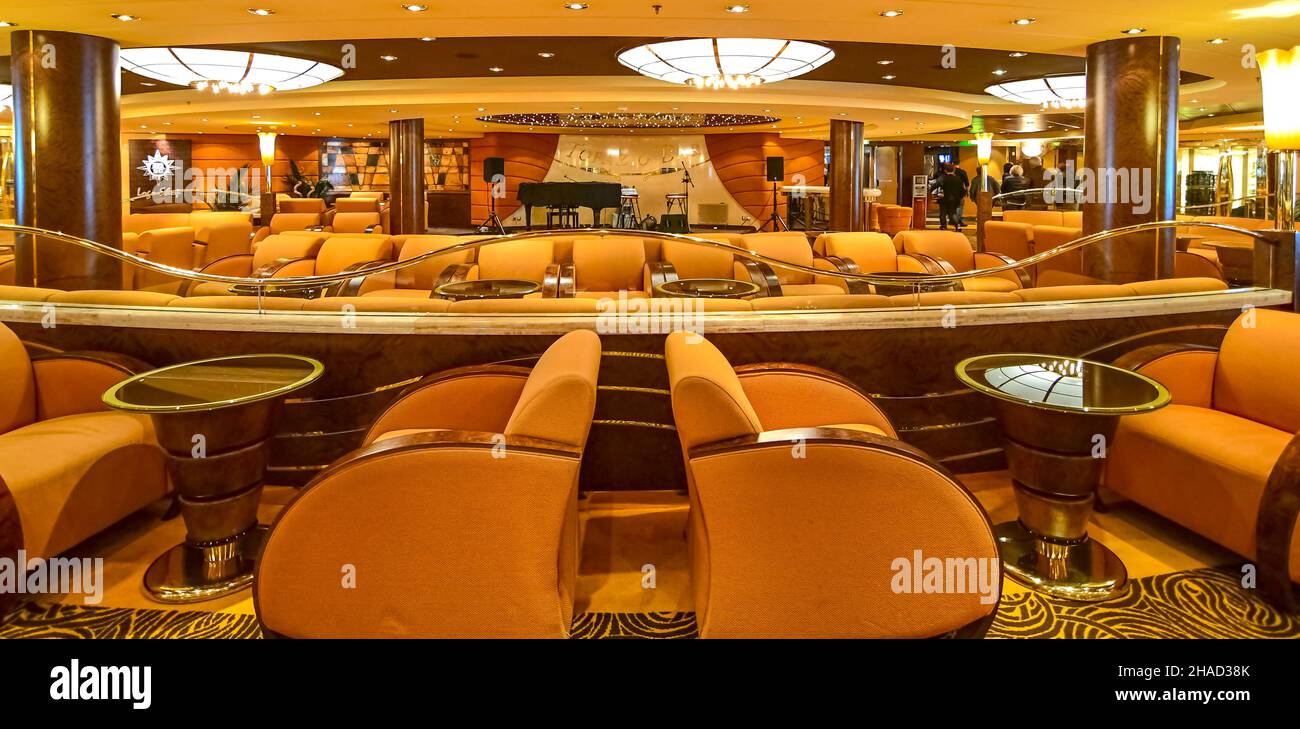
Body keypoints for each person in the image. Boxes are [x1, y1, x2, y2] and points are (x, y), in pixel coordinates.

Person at [935, 162, 968, 231]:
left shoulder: (943, 177)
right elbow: (962, 190)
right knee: (953, 213)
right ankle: (957, 226)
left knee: (943, 212)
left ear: (945, 170)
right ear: (953, 170)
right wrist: (961, 196)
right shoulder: (958, 179)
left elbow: (935, 185)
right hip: (955, 199)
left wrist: (933, 193)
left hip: (944, 198)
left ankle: (943, 226)